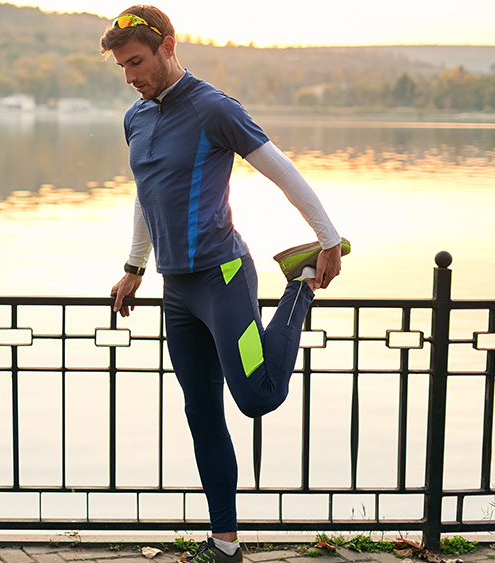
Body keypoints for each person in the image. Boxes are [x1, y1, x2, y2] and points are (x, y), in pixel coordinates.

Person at [100, 6, 350, 562]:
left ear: (168, 46)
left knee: (258, 396)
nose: (130, 76)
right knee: (202, 415)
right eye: (122, 67)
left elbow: (281, 169)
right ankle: (225, 544)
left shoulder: (214, 108)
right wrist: (135, 267)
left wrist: (328, 237)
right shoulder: (135, 118)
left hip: (223, 277)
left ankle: (300, 282)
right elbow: (146, 193)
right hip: (176, 289)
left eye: (136, 62)